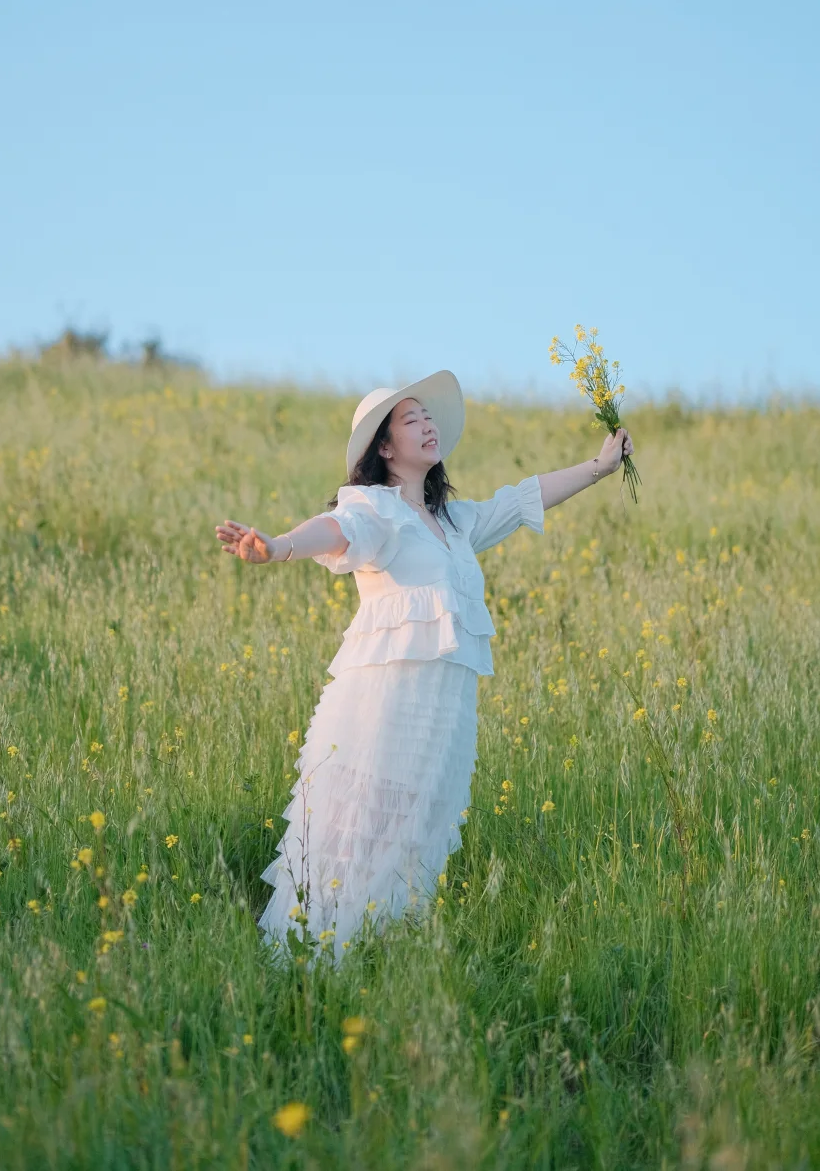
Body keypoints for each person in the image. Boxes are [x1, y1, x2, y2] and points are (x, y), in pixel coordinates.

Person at [215, 369, 635, 964]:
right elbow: (336, 530)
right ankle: (314, 963)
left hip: (444, 714)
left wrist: (600, 466)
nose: (427, 425)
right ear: (385, 448)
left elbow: (521, 499)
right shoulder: (373, 509)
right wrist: (279, 546)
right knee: (357, 829)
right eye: (411, 420)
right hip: (382, 707)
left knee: (416, 833)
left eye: (428, 417)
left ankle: (381, 961)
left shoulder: (454, 524)